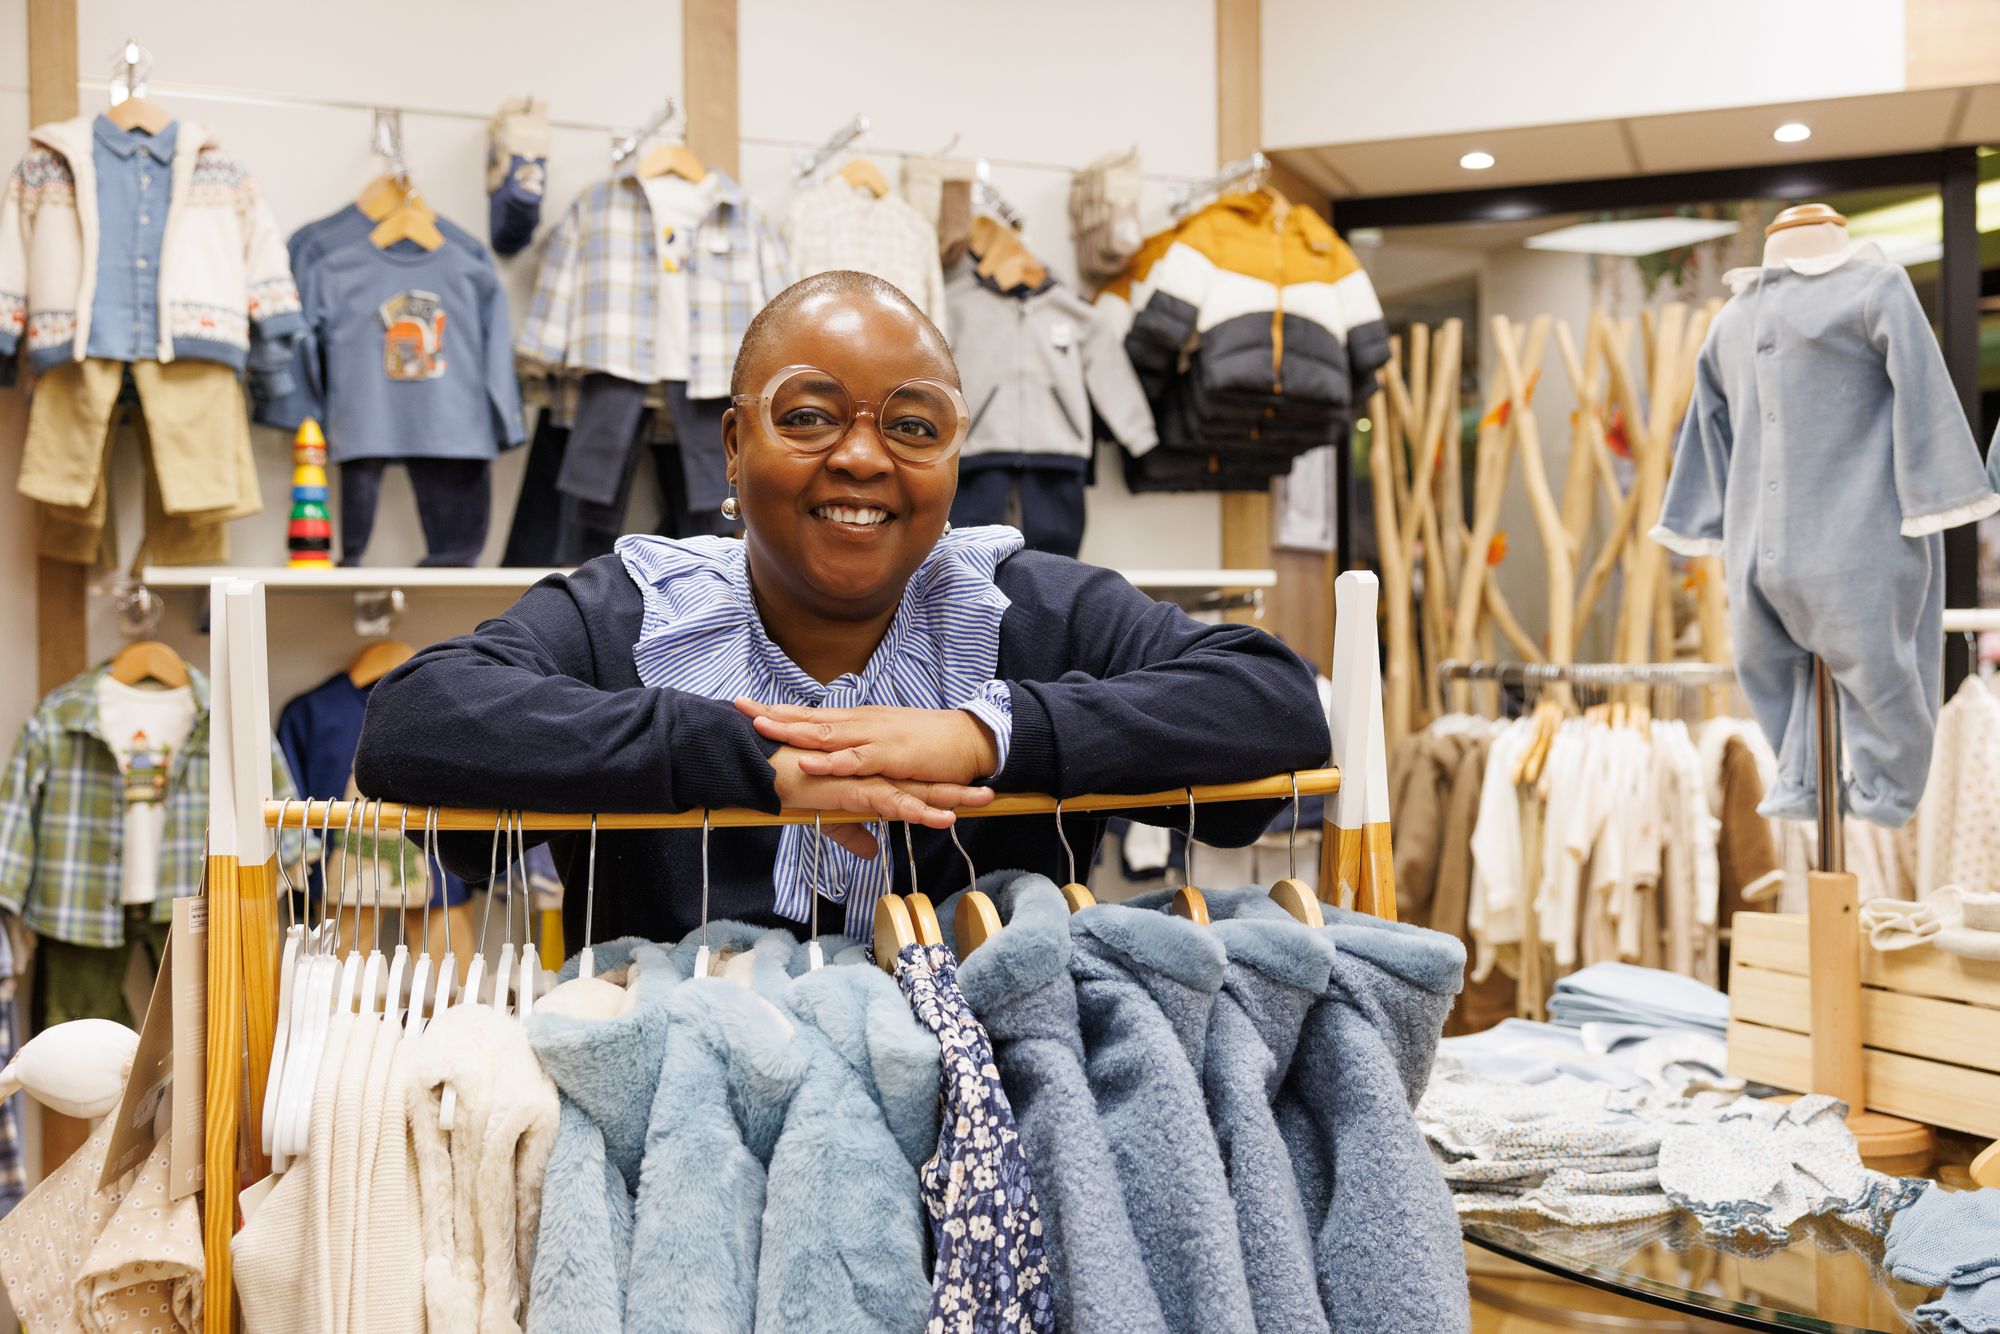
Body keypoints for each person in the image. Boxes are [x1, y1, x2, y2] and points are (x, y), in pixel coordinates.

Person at [355, 270, 1331, 946]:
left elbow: (1273, 703)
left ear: (955, 458)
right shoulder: (630, 614)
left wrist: (985, 734)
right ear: (732, 448)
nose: (862, 456)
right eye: (809, 415)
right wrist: (752, 762)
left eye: (912, 425)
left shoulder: (1031, 607)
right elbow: (414, 719)